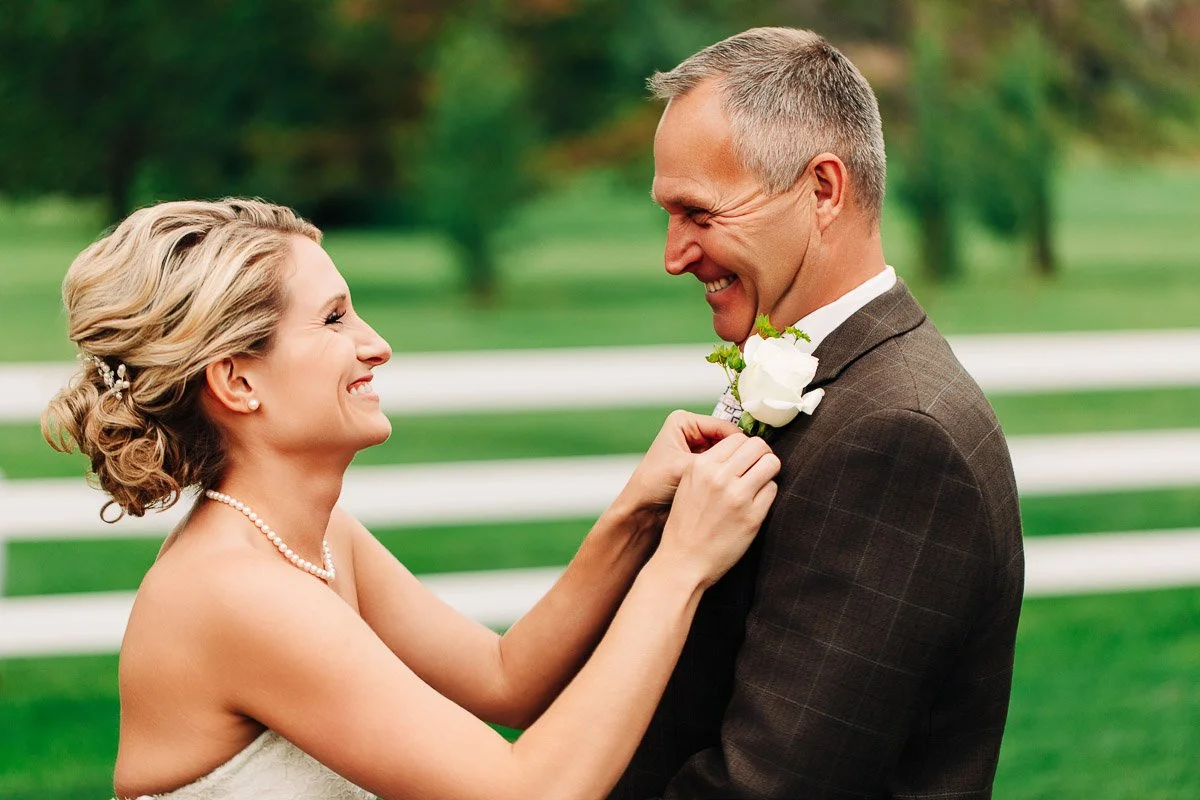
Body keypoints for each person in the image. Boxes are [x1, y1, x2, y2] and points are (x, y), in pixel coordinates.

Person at [42, 198, 783, 799]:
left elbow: (505, 680)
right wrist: (680, 567)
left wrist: (636, 515)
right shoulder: (236, 593)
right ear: (237, 381)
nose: (377, 344)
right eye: (334, 319)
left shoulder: (317, 534)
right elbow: (529, 792)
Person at [612, 27, 1024, 799]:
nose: (673, 255)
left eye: (698, 213)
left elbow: (770, 784)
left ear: (823, 190)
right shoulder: (844, 382)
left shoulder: (899, 437)